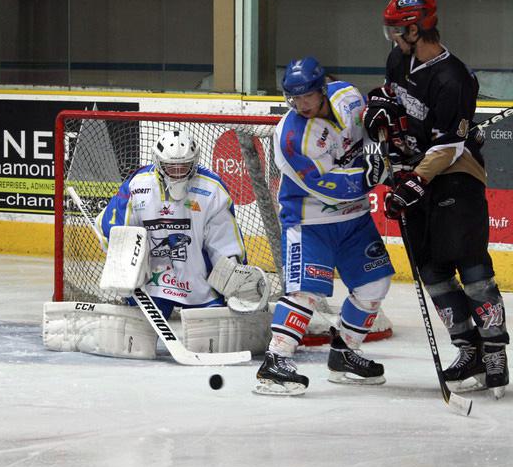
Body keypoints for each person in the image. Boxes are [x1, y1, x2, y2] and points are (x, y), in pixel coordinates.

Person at [363, 0, 508, 397]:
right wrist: (381, 107)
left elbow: (449, 147)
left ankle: (494, 350)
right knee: (431, 271)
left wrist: (415, 181)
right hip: (416, 175)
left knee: (471, 264)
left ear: (417, 27)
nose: (391, 35)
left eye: (397, 28)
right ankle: (468, 351)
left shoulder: (454, 78)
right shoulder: (400, 59)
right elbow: (393, 101)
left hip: (455, 175)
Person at [254, 56, 395, 395]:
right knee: (306, 291)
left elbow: (371, 128)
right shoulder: (291, 138)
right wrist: (370, 175)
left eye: (307, 96)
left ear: (321, 89)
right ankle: (276, 361)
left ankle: (345, 351)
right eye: (293, 97)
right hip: (309, 219)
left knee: (375, 284)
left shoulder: (347, 96)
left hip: (355, 218)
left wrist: (378, 150)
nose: (301, 104)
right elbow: (324, 183)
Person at [96, 129, 265, 320]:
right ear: (158, 162)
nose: (177, 172)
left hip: (198, 284)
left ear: (194, 162)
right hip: (152, 283)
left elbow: (225, 242)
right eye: (170, 166)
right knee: (138, 330)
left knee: (211, 334)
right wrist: (125, 268)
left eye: (183, 166)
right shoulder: (138, 185)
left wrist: (233, 278)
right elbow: (111, 227)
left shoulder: (212, 189)